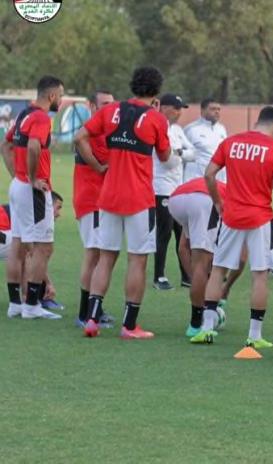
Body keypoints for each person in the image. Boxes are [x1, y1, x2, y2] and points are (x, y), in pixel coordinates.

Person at [75, 66, 171, 339]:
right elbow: (165, 157)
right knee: (137, 261)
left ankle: (91, 320)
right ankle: (129, 326)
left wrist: (97, 166)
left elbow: (79, 137)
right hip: (139, 199)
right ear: (156, 91)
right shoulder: (156, 119)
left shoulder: (110, 111)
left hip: (108, 197)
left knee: (105, 258)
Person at [192, 106, 273, 347]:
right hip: (260, 218)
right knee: (259, 274)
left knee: (218, 269)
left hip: (231, 216)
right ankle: (254, 335)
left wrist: (218, 202)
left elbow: (209, 174)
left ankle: (206, 329)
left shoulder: (231, 142)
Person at [3, 75, 64, 320]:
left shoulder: (24, 115)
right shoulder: (40, 117)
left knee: (18, 244)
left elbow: (4, 146)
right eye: (60, 95)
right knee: (43, 247)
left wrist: (18, 176)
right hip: (33, 190)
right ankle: (31, 307)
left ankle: (15, 304)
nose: (60, 99)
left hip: (18, 186)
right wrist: (31, 178)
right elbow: (34, 146)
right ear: (51, 96)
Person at [72, 89, 116, 327]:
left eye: (112, 104)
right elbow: (108, 163)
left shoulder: (100, 130)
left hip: (97, 200)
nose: (109, 108)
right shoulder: (93, 131)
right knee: (93, 255)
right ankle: (84, 314)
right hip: (93, 201)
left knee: (98, 255)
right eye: (104, 104)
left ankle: (93, 309)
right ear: (91, 105)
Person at [168, 176, 226, 337]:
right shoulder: (233, 199)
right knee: (203, 261)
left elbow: (182, 249)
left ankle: (202, 296)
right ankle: (196, 324)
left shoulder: (223, 187)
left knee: (191, 253)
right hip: (203, 200)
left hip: (176, 200)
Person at [152, 93, 194, 291]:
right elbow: (166, 161)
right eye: (176, 108)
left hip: (178, 188)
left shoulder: (177, 130)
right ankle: (159, 276)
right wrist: (177, 155)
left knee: (182, 233)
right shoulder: (156, 126)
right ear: (165, 108)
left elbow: (193, 153)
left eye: (180, 109)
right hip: (161, 187)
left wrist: (178, 153)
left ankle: (186, 275)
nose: (179, 113)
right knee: (164, 232)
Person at [2, 192, 64, 316]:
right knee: (27, 251)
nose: (59, 214)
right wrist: (48, 283)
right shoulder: (37, 212)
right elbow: (33, 253)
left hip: (4, 235)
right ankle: (31, 300)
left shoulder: (28, 206)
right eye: (58, 208)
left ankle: (27, 298)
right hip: (2, 235)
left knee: (26, 250)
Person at [183, 98, 227, 182]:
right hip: (196, 180)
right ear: (202, 111)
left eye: (218, 109)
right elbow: (182, 155)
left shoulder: (222, 129)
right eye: (213, 109)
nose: (217, 112)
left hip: (218, 181)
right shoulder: (191, 129)